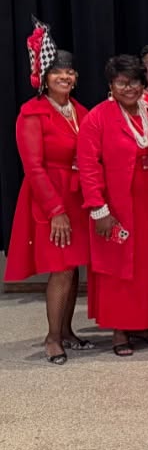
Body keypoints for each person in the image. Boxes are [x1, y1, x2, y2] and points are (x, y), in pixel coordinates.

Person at [5, 23, 91, 364]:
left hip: (75, 196)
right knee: (61, 269)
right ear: (44, 77)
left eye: (70, 73)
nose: (65, 78)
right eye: (58, 73)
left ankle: (68, 331)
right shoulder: (32, 112)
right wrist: (55, 209)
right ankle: (53, 338)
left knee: (72, 267)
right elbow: (33, 166)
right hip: (49, 197)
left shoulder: (80, 111)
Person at [78, 55, 148, 355]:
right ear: (111, 85)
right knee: (119, 267)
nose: (129, 88)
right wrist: (99, 208)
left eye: (134, 82)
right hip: (115, 204)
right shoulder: (97, 117)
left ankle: (143, 323)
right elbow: (88, 165)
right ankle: (120, 331)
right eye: (122, 82)